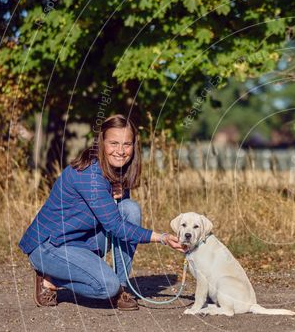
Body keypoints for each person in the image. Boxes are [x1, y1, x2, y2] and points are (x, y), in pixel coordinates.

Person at [19, 114, 184, 311]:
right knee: (106, 287)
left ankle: (121, 287)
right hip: (49, 245)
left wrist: (120, 195)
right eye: (114, 143)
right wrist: (162, 238)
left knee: (130, 208)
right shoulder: (90, 174)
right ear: (101, 143)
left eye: (127, 144)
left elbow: (119, 215)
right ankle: (51, 278)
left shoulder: (116, 170)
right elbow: (115, 226)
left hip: (80, 241)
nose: (121, 151)